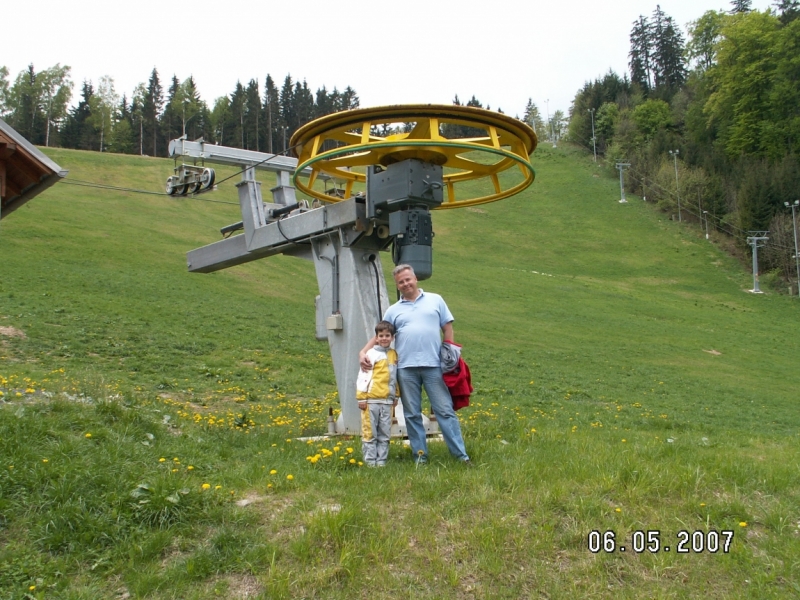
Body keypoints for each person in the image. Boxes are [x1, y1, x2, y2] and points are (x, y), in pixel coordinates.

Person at [360, 264, 471, 466]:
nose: (405, 284)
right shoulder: (393, 310)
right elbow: (381, 334)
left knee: (444, 411)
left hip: (434, 366)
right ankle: (420, 458)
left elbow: (447, 328)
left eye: (408, 279)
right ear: (398, 285)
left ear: (415, 278)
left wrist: (449, 352)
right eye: (401, 282)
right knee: (412, 414)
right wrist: (363, 352)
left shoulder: (435, 300)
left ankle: (461, 457)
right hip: (405, 369)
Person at [356, 320, 399, 467]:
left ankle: (381, 461)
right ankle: (370, 461)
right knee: (370, 431)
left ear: (392, 337)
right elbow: (363, 376)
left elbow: (395, 377)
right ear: (376, 337)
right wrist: (361, 397)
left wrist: (396, 395)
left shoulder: (394, 355)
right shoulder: (371, 354)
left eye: (387, 335)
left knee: (385, 432)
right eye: (381, 335)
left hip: (387, 401)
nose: (384, 338)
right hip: (371, 400)